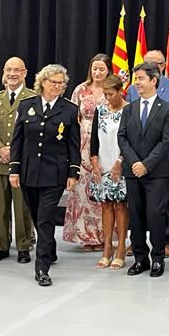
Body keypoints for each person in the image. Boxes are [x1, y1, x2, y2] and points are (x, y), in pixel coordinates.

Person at [9, 64, 81, 287]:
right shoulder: (27, 105)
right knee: (36, 214)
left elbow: (73, 144)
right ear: (43, 82)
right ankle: (50, 248)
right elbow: (18, 140)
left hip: (54, 172)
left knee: (46, 218)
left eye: (61, 83)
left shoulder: (69, 109)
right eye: (54, 82)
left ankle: (42, 268)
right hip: (29, 171)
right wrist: (14, 169)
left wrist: (73, 172)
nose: (58, 86)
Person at [118, 63, 169, 276]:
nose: (137, 83)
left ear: (154, 80)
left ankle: (158, 258)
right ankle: (140, 258)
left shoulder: (167, 109)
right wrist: (135, 163)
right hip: (133, 171)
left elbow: (166, 140)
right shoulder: (129, 108)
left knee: (155, 214)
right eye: (136, 79)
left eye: (141, 78)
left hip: (156, 172)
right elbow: (122, 137)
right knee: (135, 215)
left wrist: (146, 164)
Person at [126, 49, 169, 258]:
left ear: (163, 66)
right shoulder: (133, 89)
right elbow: (130, 118)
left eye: (155, 63)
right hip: (139, 156)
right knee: (138, 202)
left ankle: (167, 240)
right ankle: (138, 241)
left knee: (168, 200)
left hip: (167, 154)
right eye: (146, 62)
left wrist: (155, 136)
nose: (150, 66)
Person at [0, 57, 36, 264]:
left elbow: (33, 131)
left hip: (22, 162)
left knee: (22, 207)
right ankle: (0, 246)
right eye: (8, 70)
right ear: (3, 73)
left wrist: (13, 151)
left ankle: (23, 246)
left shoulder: (33, 98)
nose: (12, 74)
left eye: (17, 70)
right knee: (0, 207)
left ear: (25, 73)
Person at [64, 54, 109, 250]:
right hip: (83, 144)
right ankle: (84, 236)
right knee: (82, 191)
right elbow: (73, 118)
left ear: (108, 70)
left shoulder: (113, 89)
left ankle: (103, 236)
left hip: (106, 142)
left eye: (101, 69)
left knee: (102, 190)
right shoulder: (80, 90)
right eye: (94, 68)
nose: (97, 72)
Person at [90, 74, 130, 269]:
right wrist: (94, 160)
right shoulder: (100, 109)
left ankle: (121, 247)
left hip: (120, 163)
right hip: (103, 163)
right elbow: (94, 138)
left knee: (121, 206)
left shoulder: (129, 109)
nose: (107, 98)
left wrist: (121, 161)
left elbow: (131, 139)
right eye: (105, 94)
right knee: (106, 205)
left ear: (120, 91)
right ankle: (107, 248)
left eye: (111, 94)